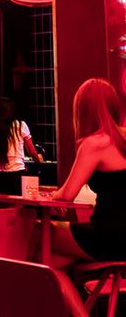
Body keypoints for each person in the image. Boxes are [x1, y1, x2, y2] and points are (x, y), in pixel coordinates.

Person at [42, 79, 126, 267]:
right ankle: (82, 294)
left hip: (109, 234)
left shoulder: (95, 143)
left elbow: (67, 194)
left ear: (82, 110)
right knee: (57, 261)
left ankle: (61, 295)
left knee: (40, 233)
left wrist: (54, 196)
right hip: (117, 237)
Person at [0, 97, 44, 172]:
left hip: (0, 171)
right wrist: (39, 163)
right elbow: (31, 150)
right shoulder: (20, 125)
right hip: (18, 169)